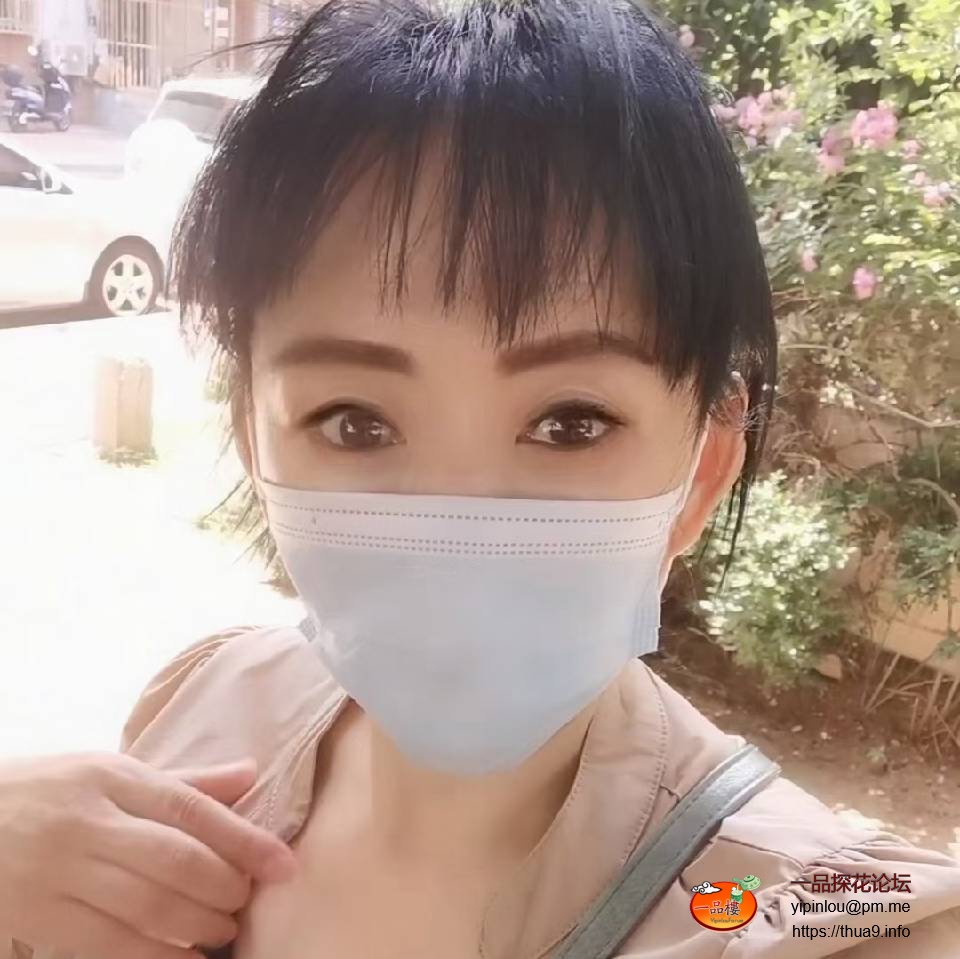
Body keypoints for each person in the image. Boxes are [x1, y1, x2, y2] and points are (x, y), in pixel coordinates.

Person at [4, 0, 960, 957]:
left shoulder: (831, 919)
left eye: (571, 422)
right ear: (255, 441)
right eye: (355, 421)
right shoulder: (201, 705)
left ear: (703, 469)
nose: (457, 515)